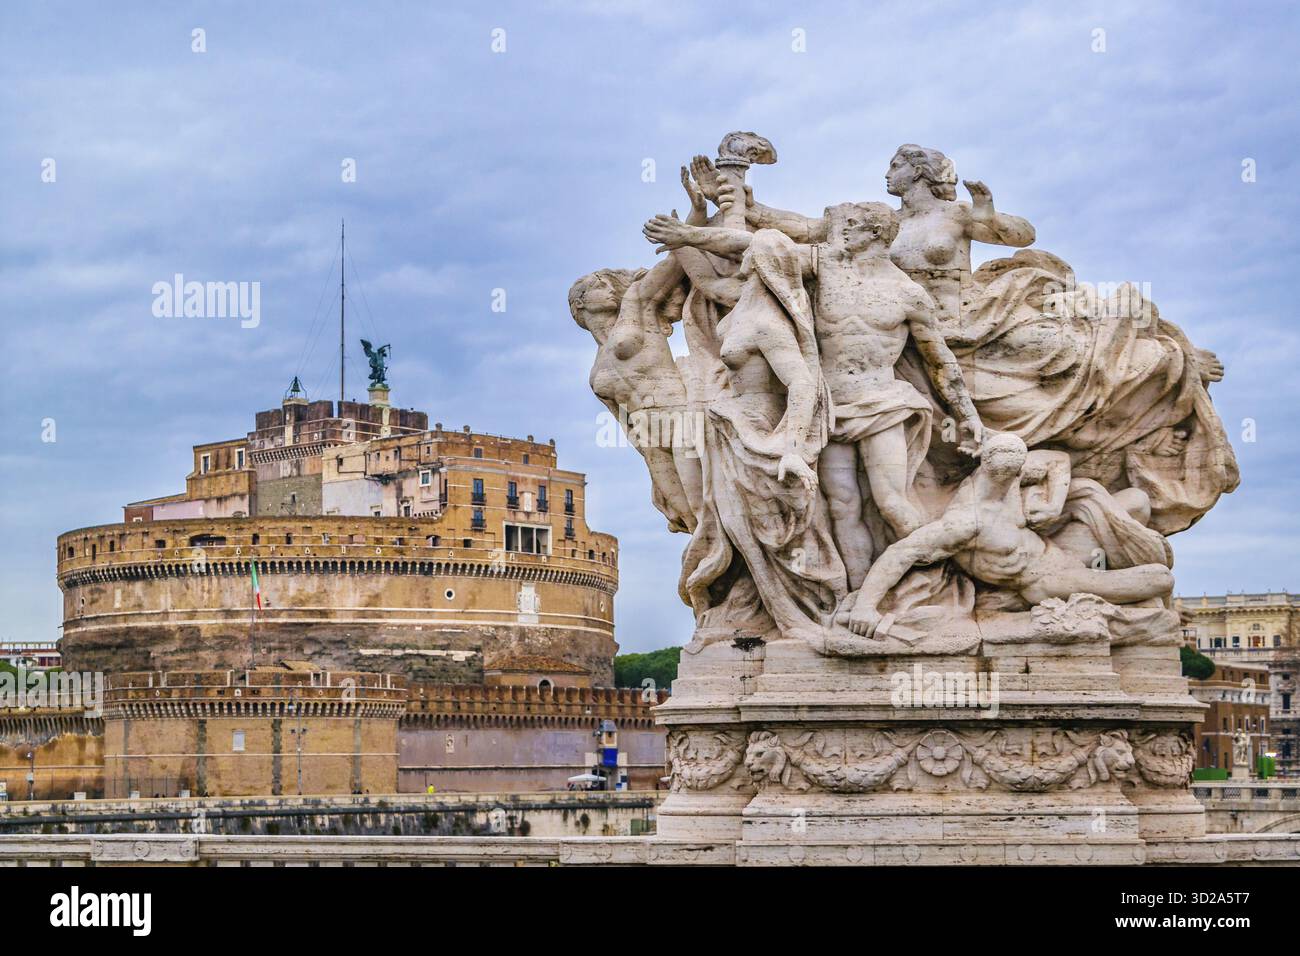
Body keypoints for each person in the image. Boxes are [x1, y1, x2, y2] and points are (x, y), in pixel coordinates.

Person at [644, 202, 983, 588]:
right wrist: (689, 236)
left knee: (893, 504)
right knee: (842, 509)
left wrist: (967, 416)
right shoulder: (826, 264)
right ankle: (857, 593)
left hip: (884, 404)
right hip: (829, 410)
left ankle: (934, 585)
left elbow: (940, 361)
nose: (838, 231)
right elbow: (756, 245)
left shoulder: (908, 295)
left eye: (850, 226)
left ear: (874, 233)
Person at [844, 433, 1175, 639]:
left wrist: (1054, 504)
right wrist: (864, 607)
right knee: (1160, 579)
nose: (1019, 481)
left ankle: (1117, 569)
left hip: (1060, 550)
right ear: (990, 469)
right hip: (1047, 580)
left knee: (1136, 501)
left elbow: (1058, 461)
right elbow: (901, 553)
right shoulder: (965, 522)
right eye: (1015, 477)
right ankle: (1118, 580)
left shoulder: (1010, 474)